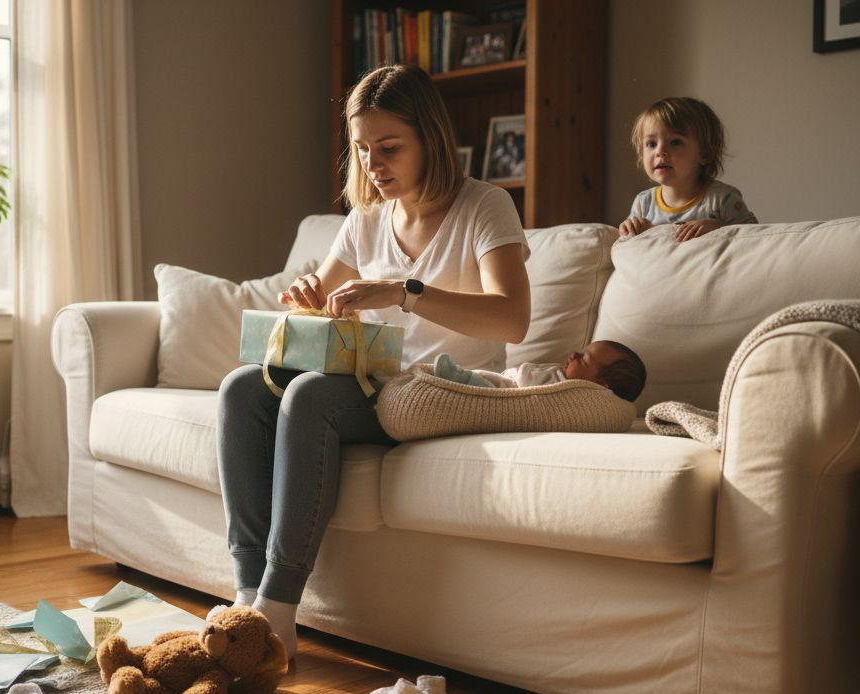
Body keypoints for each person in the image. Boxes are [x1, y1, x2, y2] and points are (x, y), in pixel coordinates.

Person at [216, 65, 531, 662]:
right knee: (242, 388)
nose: (372, 164)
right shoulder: (365, 221)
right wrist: (308, 295)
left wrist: (401, 291)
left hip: (448, 390)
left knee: (310, 396)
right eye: (361, 150)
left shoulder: (485, 207)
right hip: (376, 383)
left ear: (430, 139)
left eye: (389, 148)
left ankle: (279, 609)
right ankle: (246, 599)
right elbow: (320, 295)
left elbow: (512, 318)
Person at [618, 96, 757, 242]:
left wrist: (719, 228)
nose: (660, 151)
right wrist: (628, 228)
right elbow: (628, 244)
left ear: (705, 153)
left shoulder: (723, 199)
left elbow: (754, 238)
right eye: (651, 144)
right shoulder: (643, 203)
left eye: (675, 142)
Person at [432, 340, 646, 402]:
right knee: (485, 377)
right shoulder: (564, 375)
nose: (573, 354)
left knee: (480, 384)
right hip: (507, 380)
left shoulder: (574, 395)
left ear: (600, 385)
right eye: (580, 350)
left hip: (506, 393)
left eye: (584, 358)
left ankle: (458, 378)